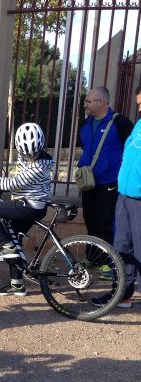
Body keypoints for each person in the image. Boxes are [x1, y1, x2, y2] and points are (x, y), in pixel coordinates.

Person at [0, 122, 55, 296]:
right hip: (29, 203)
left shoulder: (38, 167)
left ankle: (7, 246)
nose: (29, 157)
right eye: (26, 154)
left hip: (30, 206)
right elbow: (19, 177)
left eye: (33, 154)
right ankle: (17, 284)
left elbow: (12, 183)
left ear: (40, 147)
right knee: (14, 238)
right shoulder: (27, 156)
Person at [93, 85, 141, 309]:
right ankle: (122, 293)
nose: (139, 108)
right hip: (125, 196)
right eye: (139, 104)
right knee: (122, 248)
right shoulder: (139, 125)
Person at [78, 87, 133, 257]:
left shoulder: (120, 123)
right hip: (89, 183)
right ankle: (93, 258)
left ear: (101, 103)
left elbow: (132, 151)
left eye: (88, 101)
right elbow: (84, 148)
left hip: (109, 182)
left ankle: (108, 262)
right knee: (90, 220)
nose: (85, 105)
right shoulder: (85, 124)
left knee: (106, 222)